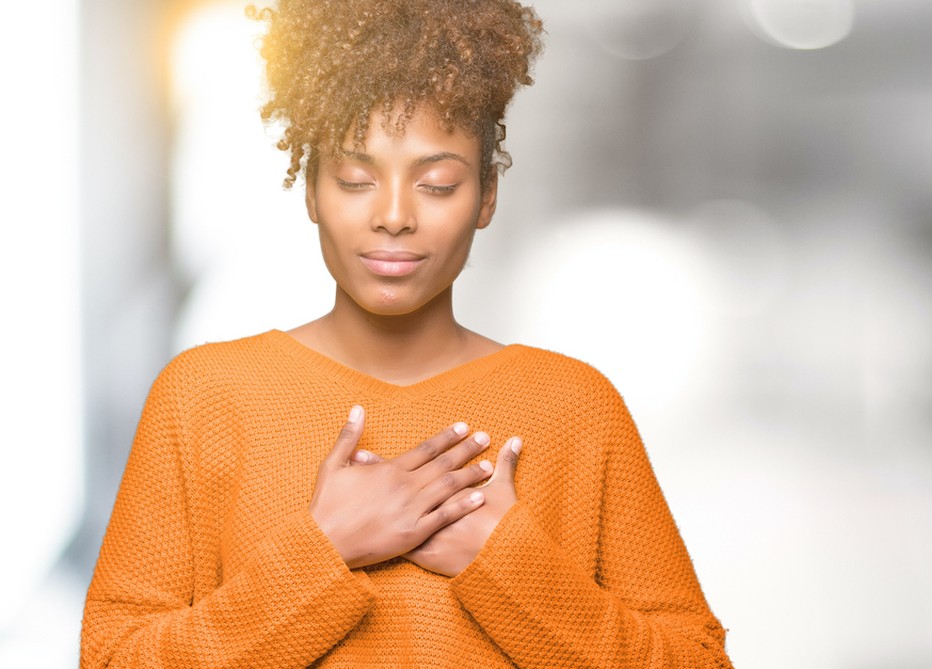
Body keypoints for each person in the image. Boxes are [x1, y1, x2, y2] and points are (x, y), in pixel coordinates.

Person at [80, 0, 732, 666]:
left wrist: (506, 561)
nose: (394, 215)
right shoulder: (203, 398)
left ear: (486, 197)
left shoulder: (575, 407)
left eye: (438, 183)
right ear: (309, 191)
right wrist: (322, 550)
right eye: (356, 179)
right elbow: (111, 658)